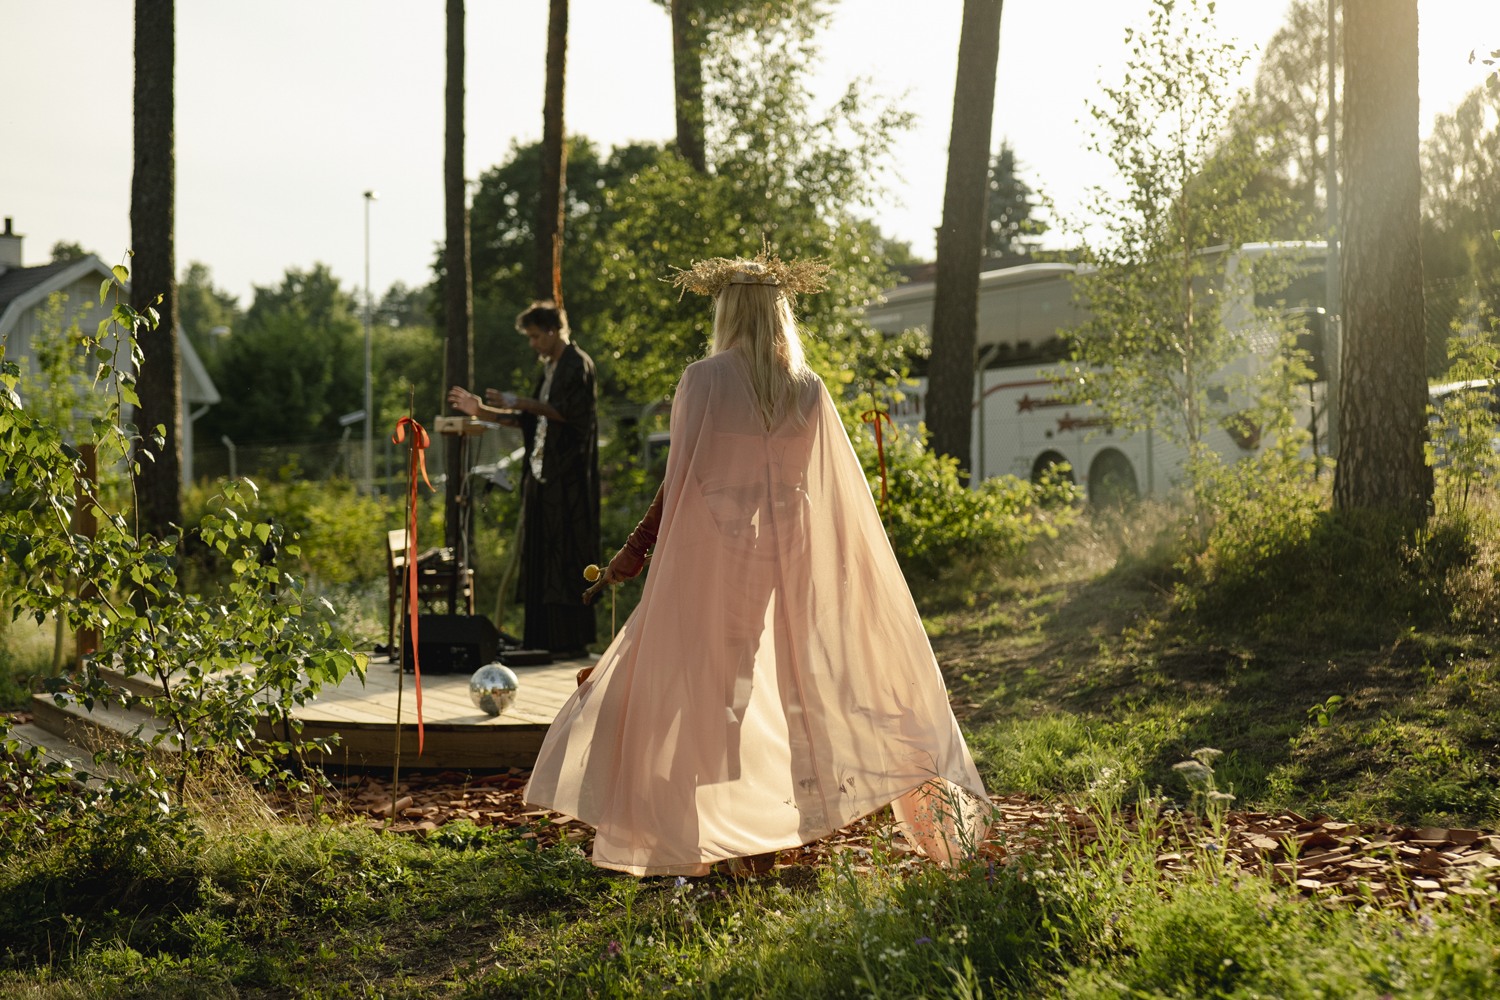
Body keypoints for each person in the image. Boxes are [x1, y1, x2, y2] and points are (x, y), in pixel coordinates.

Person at [525, 250, 990, 876]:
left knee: (693, 686)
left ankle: (707, 832)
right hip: (782, 558)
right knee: (749, 687)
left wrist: (635, 551)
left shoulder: (706, 379)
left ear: (730, 312)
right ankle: (752, 836)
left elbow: (681, 481)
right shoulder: (807, 388)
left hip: (715, 554)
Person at [447, 301, 599, 657]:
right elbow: (528, 421)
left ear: (552, 331)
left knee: (566, 557)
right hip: (543, 480)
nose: (532, 344)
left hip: (569, 482)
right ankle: (544, 639)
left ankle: (569, 641)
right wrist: (482, 411)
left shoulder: (577, 365)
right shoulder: (549, 369)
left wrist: (521, 401)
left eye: (535, 336)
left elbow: (565, 414)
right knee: (541, 557)